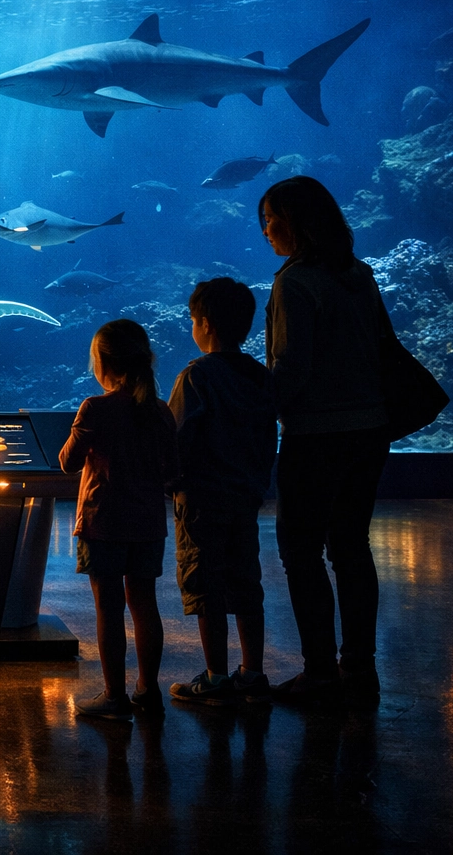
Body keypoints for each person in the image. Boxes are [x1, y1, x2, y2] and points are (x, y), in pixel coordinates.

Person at [259, 176, 391, 708]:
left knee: (300, 549)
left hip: (316, 434)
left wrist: (252, 401)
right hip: (370, 428)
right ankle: (359, 666)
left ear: (294, 222)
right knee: (352, 547)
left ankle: (319, 672)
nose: (266, 231)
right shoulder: (358, 274)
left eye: (270, 219)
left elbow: (292, 367)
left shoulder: (295, 282)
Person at [165, 278, 277, 706]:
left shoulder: (197, 376)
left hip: (201, 500)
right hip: (244, 498)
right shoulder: (260, 376)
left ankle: (214, 677)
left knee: (204, 583)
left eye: (193, 320)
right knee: (246, 582)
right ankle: (252, 672)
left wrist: (169, 482)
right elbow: (269, 437)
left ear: (205, 324)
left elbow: (178, 438)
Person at [61, 319, 179, 720]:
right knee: (145, 605)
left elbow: (67, 462)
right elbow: (171, 470)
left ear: (103, 363)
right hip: (148, 525)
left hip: (103, 523)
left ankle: (114, 696)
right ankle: (148, 690)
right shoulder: (160, 411)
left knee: (109, 609)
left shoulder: (96, 408)